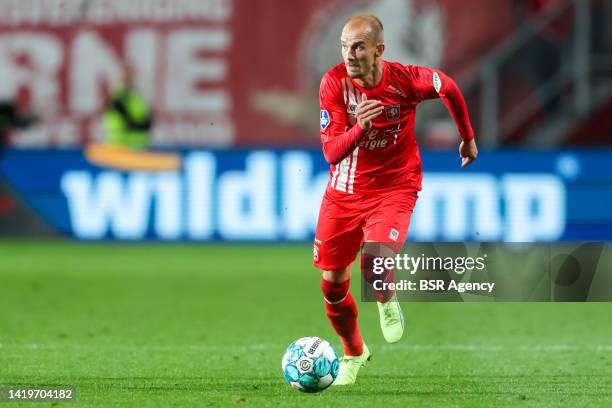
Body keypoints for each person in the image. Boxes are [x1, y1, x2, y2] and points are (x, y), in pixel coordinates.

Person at [314, 14, 478, 385]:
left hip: (395, 186)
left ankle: (386, 300)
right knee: (332, 285)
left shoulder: (405, 80)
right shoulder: (333, 84)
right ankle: (354, 352)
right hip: (344, 192)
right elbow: (331, 153)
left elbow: (448, 86)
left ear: (378, 50)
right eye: (344, 46)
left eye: (357, 46)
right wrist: (360, 128)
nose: (349, 55)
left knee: (374, 261)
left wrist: (467, 137)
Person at [103, 64, 153, 150]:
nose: (128, 76)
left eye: (130, 73)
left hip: (137, 145)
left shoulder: (136, 96)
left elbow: (146, 119)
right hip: (119, 145)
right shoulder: (117, 95)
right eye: (125, 73)